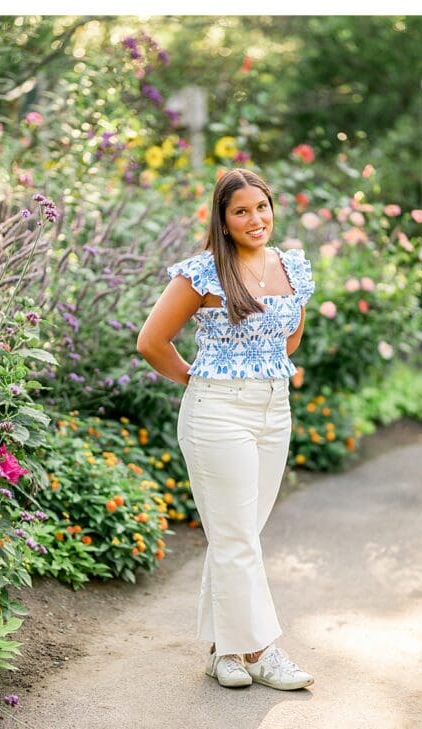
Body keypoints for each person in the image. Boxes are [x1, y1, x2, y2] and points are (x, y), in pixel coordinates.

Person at [137, 168, 316, 691]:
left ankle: (225, 652)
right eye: (241, 211)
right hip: (218, 411)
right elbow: (152, 341)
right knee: (237, 537)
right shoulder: (202, 273)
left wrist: (258, 370)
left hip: (273, 409)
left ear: (272, 207)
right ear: (223, 218)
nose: (254, 219)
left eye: (261, 207)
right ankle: (261, 652)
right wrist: (197, 377)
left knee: (239, 536)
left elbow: (290, 341)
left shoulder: (292, 266)